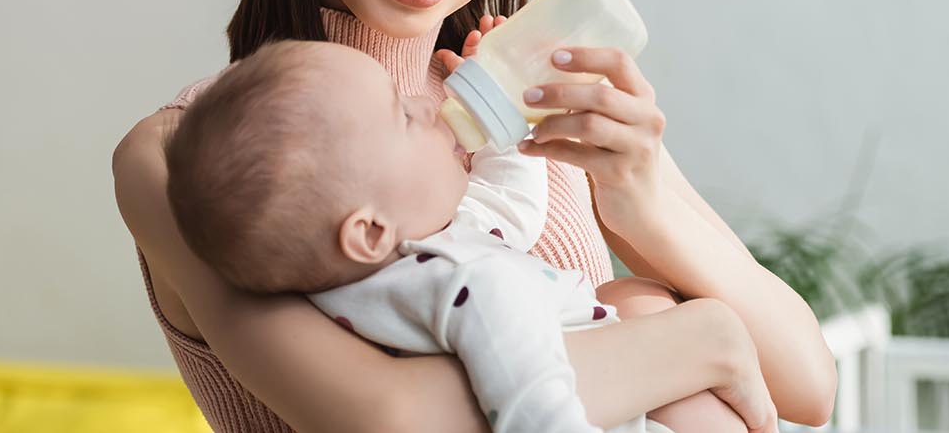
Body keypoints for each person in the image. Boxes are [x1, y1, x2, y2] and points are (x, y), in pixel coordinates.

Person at [110, 0, 837, 431]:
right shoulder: (192, 160)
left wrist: (638, 200)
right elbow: (393, 419)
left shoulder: (538, 91)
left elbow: (808, 384)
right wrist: (695, 341)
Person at [165, 36, 729, 432]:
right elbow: (534, 404)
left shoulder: (406, 267)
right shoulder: (468, 282)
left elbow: (509, 209)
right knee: (645, 308)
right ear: (367, 229)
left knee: (632, 298)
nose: (421, 103)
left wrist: (503, 118)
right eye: (403, 117)